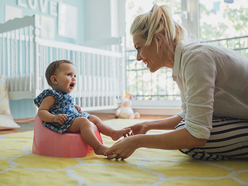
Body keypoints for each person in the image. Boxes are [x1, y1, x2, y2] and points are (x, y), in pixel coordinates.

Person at [104, 4, 248, 160]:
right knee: (185, 128)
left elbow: (197, 135)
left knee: (188, 139)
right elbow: (189, 115)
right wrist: (147, 125)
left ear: (158, 40)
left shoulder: (196, 59)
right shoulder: (184, 61)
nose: (138, 57)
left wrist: (137, 141)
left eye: (139, 48)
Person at [34, 60, 130, 155]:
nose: (74, 78)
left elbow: (63, 106)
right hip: (61, 122)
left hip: (71, 118)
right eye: (69, 75)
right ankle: (98, 147)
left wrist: (73, 107)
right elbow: (42, 111)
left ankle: (112, 133)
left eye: (75, 76)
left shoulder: (65, 94)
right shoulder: (51, 95)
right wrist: (54, 118)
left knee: (93, 118)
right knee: (83, 122)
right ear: (55, 80)